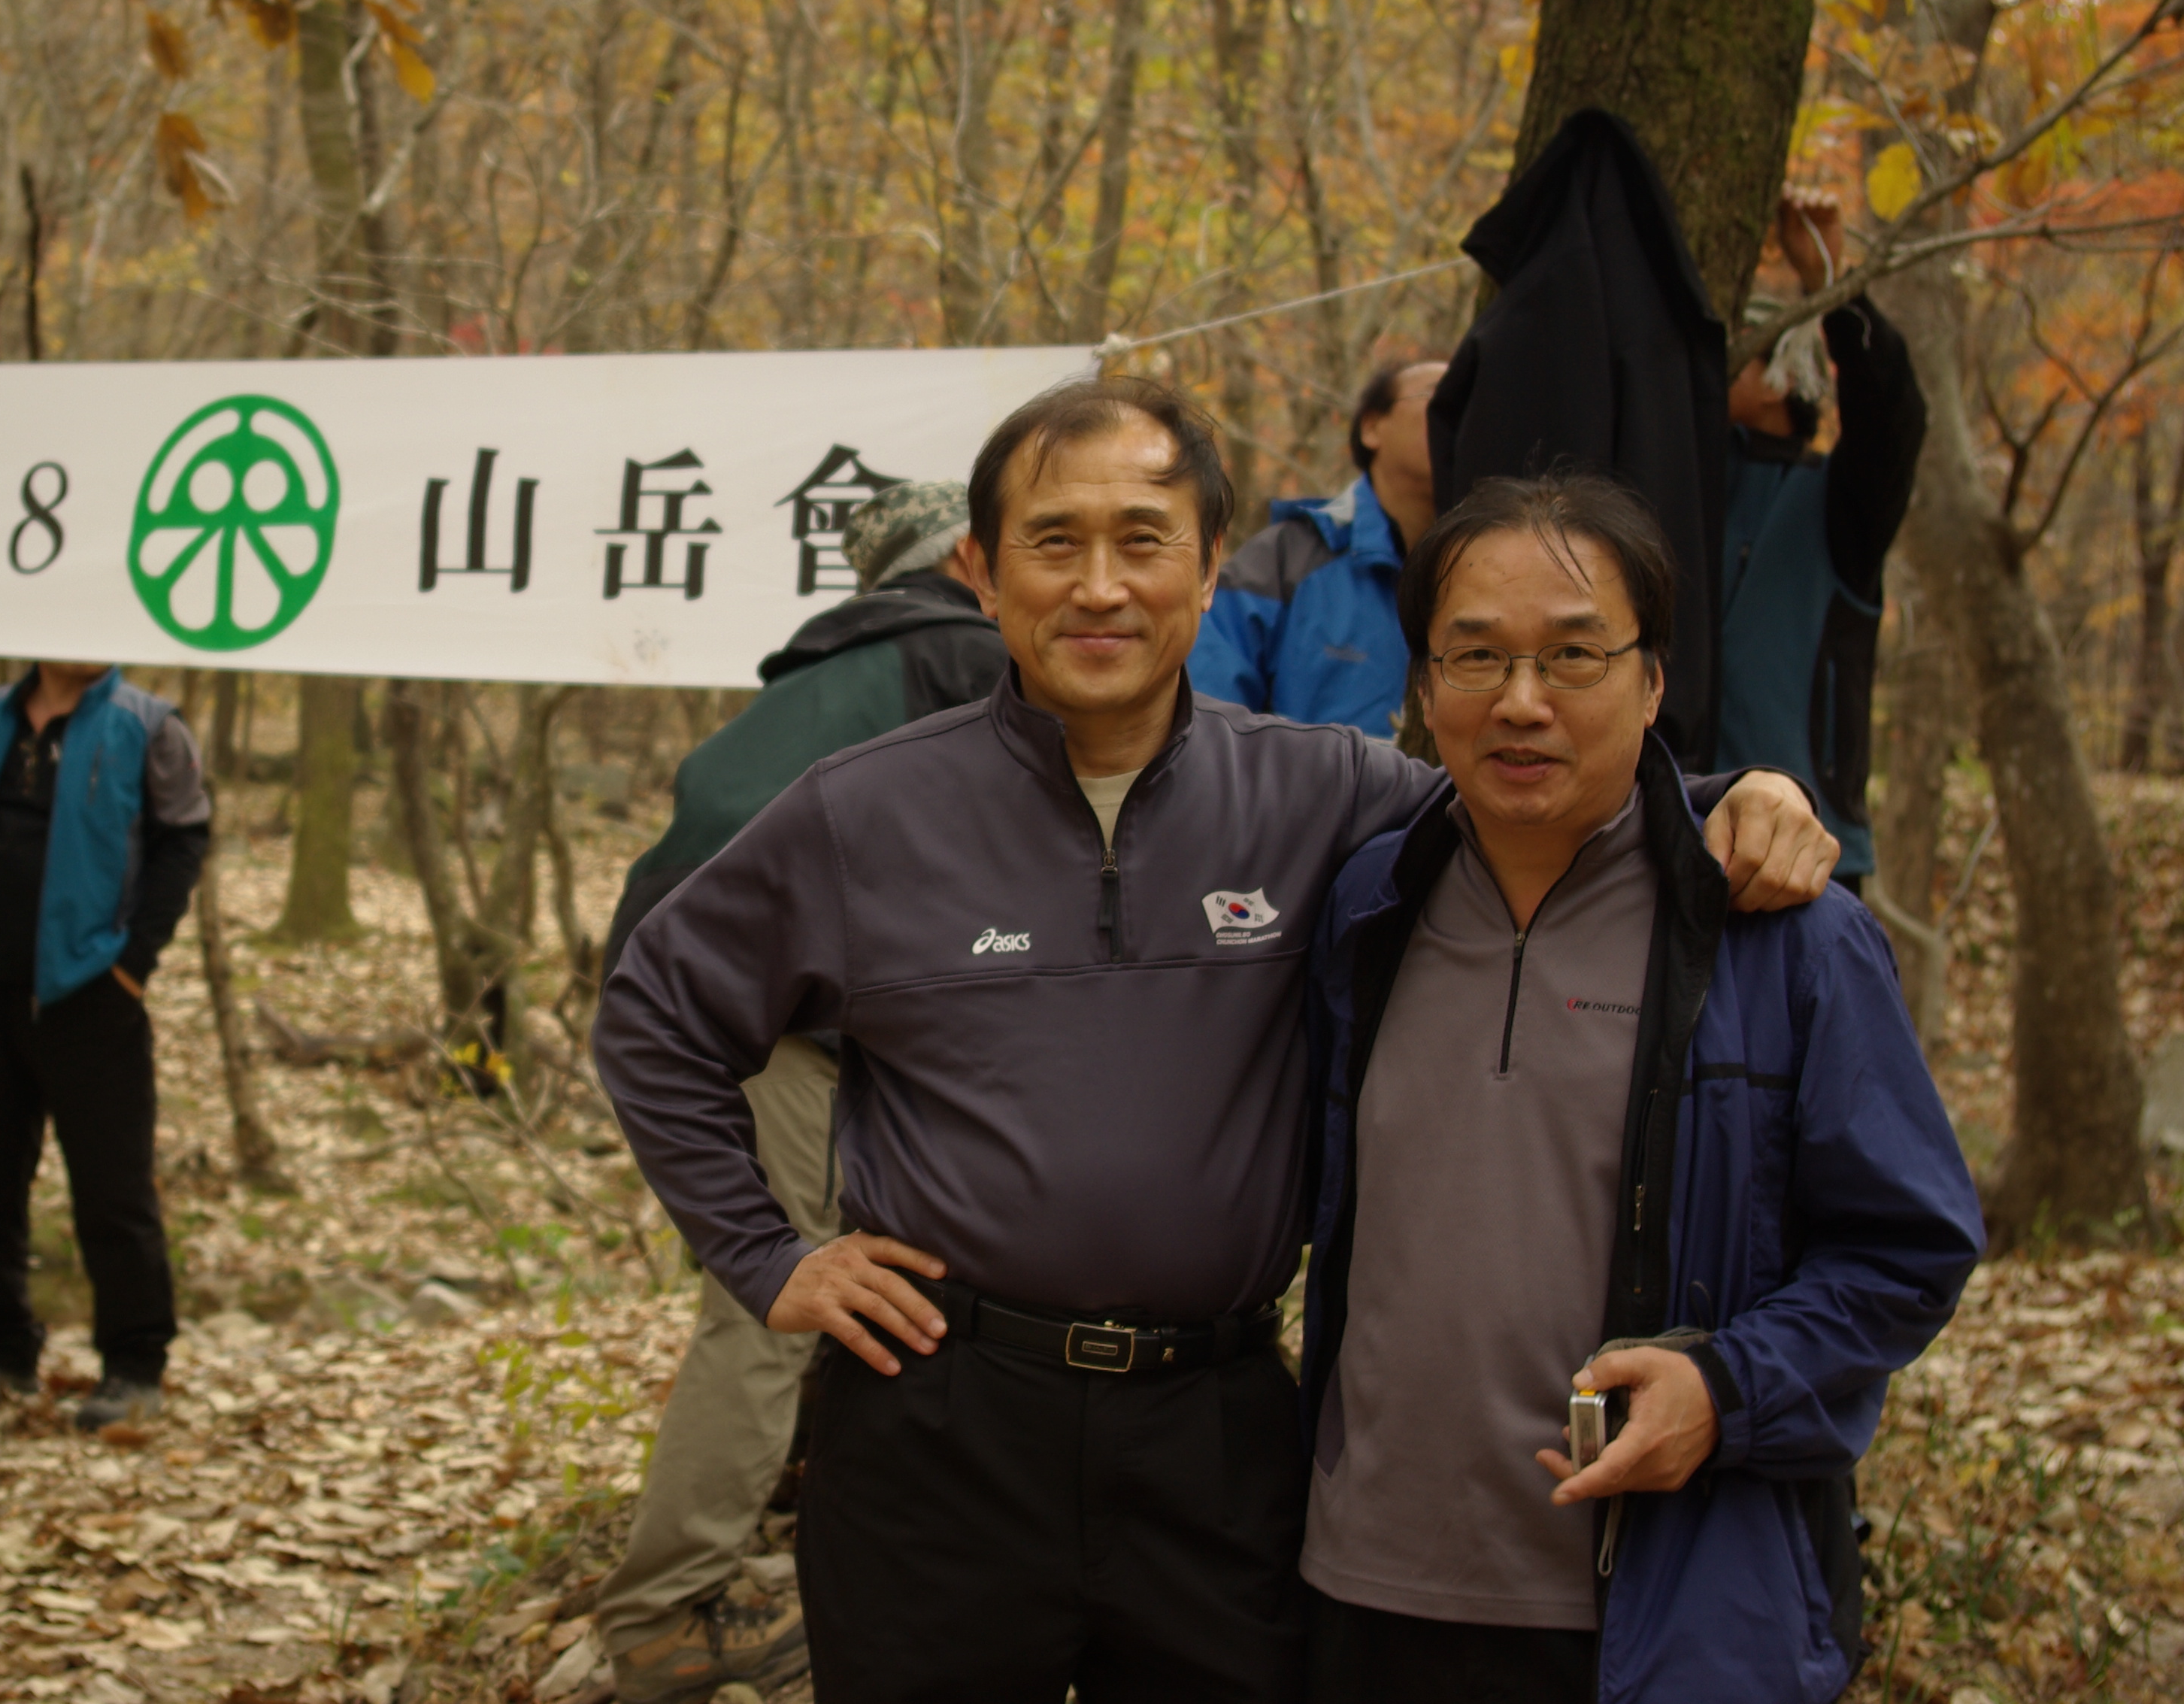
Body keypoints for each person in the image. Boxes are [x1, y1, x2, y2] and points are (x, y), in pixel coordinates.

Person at [592, 374, 1837, 1702]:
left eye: (1143, 540)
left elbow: (1532, 794)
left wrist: (1729, 798)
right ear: (982, 571)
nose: (1100, 587)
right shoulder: (866, 812)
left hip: (1217, 1428)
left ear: (1204, 569)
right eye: (1054, 542)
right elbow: (656, 1010)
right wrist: (767, 1256)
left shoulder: (1319, 792)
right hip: (939, 1422)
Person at [1298, 471, 1983, 1704]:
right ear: (1425, 688)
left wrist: (1727, 1389)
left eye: (1574, 655)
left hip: (1659, 1611)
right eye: (1476, 655)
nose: (1521, 701)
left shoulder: (1783, 939)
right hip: (1361, 1591)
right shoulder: (1366, 907)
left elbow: (1908, 1247)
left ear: (1653, 681)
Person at [595, 479, 1004, 1704]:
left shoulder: (808, 680)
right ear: (967, 558)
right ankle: (661, 1613)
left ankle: (789, 1515)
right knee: (771, 1306)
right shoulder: (967, 661)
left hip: (722, 1019)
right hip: (796, 1028)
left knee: (837, 1283)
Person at [0, 662, 211, 1431]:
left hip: (90, 997)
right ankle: (2, 1353)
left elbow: (185, 841)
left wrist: (130, 967)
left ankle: (134, 1365)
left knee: (113, 1192)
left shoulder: (148, 725)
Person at [1720, 187, 1928, 885]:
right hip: (1673, 839)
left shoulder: (1839, 502)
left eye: (1737, 353)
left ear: (1781, 380)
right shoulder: (1676, 487)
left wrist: (1834, 286)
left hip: (1811, 854)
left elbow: (1893, 413)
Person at [1187, 358, 1444, 735]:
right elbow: (1204, 719)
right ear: (1372, 427)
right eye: (1438, 397)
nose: (1456, 415)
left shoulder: (1496, 572)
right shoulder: (1286, 560)